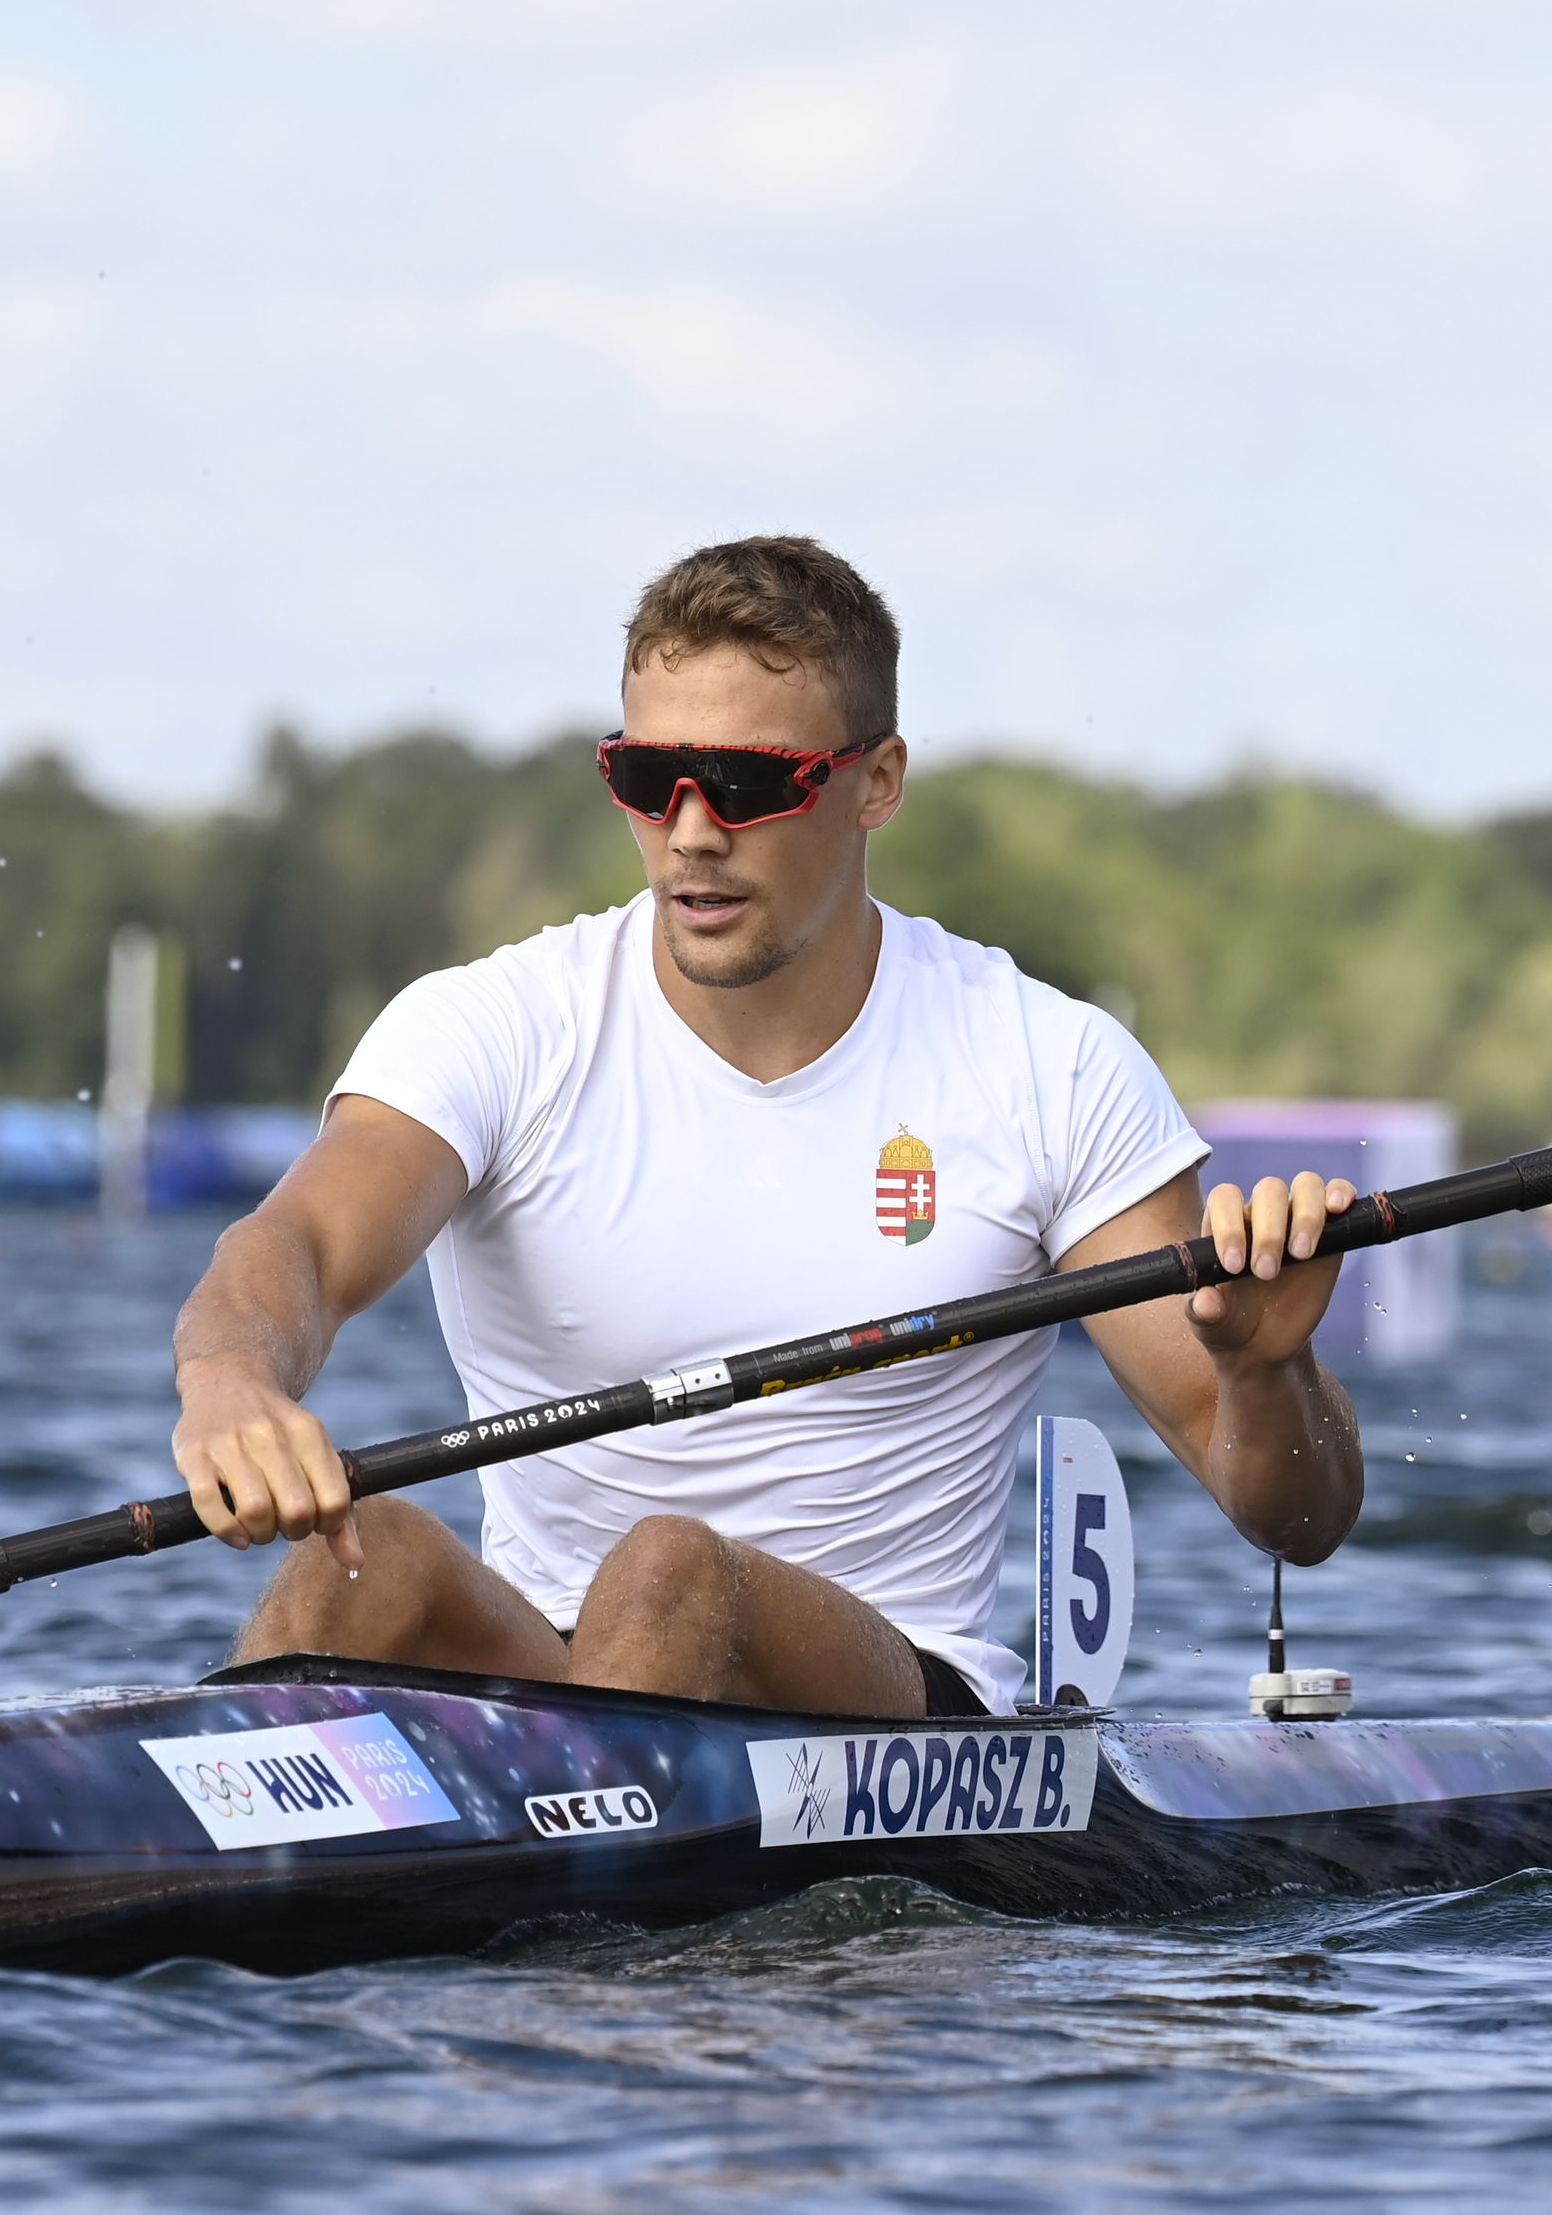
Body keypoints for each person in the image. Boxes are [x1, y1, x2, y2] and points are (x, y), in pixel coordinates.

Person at [172, 538, 1362, 1718]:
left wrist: (1268, 1372)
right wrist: (231, 1378)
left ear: (876, 783)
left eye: (745, 785)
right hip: (546, 1674)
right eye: (650, 779)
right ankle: (217, 1857)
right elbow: (297, 1250)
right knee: (360, 1551)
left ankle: (567, 1869)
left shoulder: (1047, 1065)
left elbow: (1293, 1519)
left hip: (889, 1704)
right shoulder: (498, 1025)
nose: (691, 831)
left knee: (670, 1569)